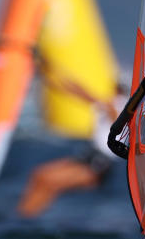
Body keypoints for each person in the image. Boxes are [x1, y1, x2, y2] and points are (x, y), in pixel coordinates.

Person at [16, 82, 125, 218]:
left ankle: (25, 218)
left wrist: (101, 102)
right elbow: (81, 93)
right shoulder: (108, 105)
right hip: (88, 158)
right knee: (39, 175)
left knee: (47, 181)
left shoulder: (119, 105)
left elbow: (116, 120)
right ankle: (24, 216)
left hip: (99, 164)